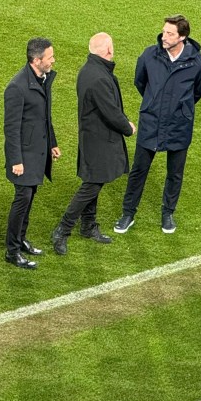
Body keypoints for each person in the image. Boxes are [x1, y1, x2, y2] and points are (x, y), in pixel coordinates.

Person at [114, 15, 201, 235]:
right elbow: (140, 82)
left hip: (179, 125)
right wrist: (153, 103)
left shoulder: (198, 63)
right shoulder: (150, 54)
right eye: (164, 32)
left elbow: (198, 90)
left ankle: (168, 213)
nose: (164, 37)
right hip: (151, 121)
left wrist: (181, 108)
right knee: (139, 170)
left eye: (170, 34)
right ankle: (128, 213)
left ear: (183, 37)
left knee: (175, 173)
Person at [52, 33, 136, 255]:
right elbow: (111, 111)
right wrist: (128, 127)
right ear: (108, 50)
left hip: (92, 137)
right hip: (99, 140)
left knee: (94, 181)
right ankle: (63, 229)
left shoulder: (89, 70)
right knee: (92, 185)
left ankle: (88, 226)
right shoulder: (99, 77)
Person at [4, 37, 60, 269]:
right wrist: (16, 160)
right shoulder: (17, 87)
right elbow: (11, 127)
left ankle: (21, 240)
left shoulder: (42, 79)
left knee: (29, 198)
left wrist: (52, 143)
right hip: (24, 157)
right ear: (36, 60)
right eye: (50, 57)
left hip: (38, 152)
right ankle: (12, 250)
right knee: (22, 200)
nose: (53, 60)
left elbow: (44, 116)